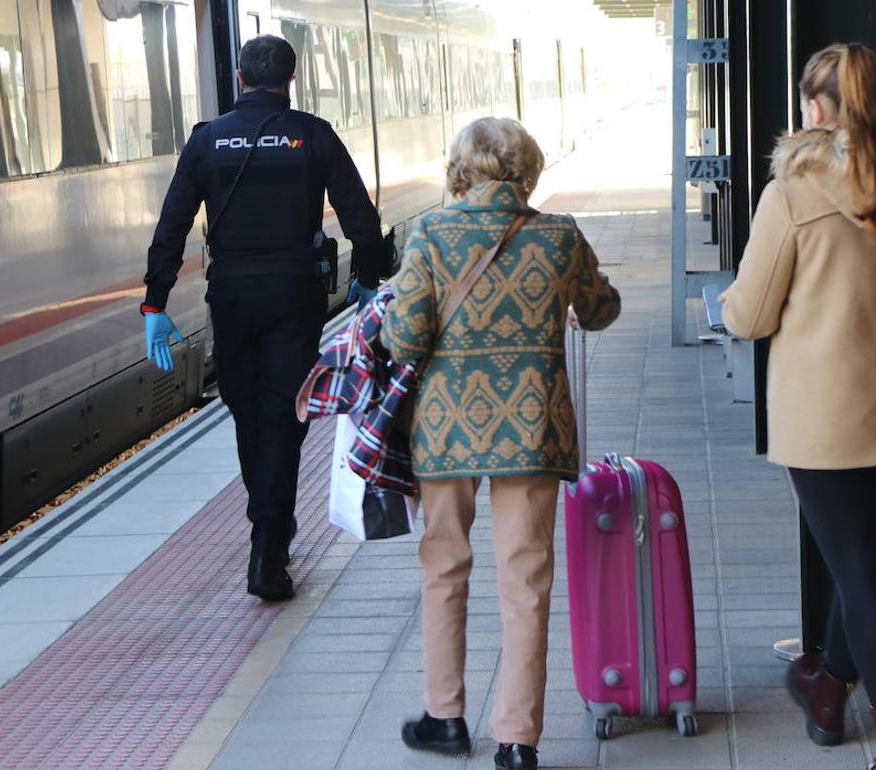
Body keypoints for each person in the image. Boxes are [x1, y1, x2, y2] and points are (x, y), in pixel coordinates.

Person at [721, 43, 876, 770]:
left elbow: (748, 317)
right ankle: (826, 695)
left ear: (815, 110)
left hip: (824, 425)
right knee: (861, 563)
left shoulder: (791, 194)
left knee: (862, 575)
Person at [381, 118, 621, 770]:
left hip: (445, 432)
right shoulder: (558, 236)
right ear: (527, 168)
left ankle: (446, 717)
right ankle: (518, 740)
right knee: (527, 581)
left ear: (460, 170)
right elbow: (602, 310)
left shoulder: (431, 234)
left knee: (444, 570)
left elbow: (403, 340)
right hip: (530, 430)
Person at [141, 35, 384, 601]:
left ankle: (267, 532)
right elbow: (361, 219)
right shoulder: (313, 135)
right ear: (291, 80)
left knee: (249, 413)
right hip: (293, 297)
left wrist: (155, 303)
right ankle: (268, 544)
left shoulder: (207, 140)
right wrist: (367, 282)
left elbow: (172, 226)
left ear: (239, 76)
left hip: (232, 298)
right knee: (282, 416)